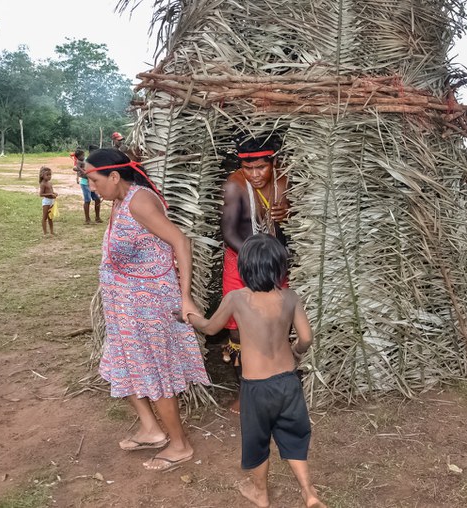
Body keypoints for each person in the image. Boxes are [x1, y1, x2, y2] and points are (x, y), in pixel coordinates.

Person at [84, 148, 209, 472]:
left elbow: (181, 241)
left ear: (114, 176)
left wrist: (185, 297)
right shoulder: (119, 200)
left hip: (148, 307)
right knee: (122, 365)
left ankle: (179, 445)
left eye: (94, 180)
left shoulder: (139, 202)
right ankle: (151, 430)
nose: (91, 187)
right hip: (125, 307)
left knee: (153, 373)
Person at [186, 234, 326, 508]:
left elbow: (211, 328)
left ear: (244, 268)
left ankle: (260, 493)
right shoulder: (290, 297)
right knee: (293, 434)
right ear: (279, 268)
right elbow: (306, 338)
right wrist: (295, 352)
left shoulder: (237, 298)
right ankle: (308, 492)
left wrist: (190, 316)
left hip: (256, 386)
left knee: (257, 439)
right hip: (288, 382)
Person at [221, 133, 290, 414]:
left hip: (276, 263)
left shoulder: (285, 181)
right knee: (239, 332)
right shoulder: (235, 186)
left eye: (261, 167)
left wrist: (289, 213)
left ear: (273, 162)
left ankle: (276, 386)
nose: (254, 174)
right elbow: (228, 231)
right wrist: (254, 258)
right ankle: (246, 393)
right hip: (240, 262)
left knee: (275, 324)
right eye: (248, 168)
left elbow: (302, 223)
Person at [72, 149, 102, 224]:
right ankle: (87, 219)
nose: (83, 156)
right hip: (85, 183)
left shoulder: (87, 160)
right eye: (82, 155)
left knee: (97, 199)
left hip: (91, 182)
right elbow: (76, 168)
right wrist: (81, 172)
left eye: (83, 155)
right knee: (87, 200)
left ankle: (97, 217)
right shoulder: (80, 161)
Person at [39, 166, 57, 236]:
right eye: (47, 175)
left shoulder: (50, 183)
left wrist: (54, 193)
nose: (49, 176)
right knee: (45, 217)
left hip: (51, 201)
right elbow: (41, 194)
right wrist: (50, 194)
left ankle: (52, 231)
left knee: (50, 217)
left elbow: (52, 191)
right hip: (46, 202)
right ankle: (45, 232)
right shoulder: (43, 184)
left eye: (50, 175)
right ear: (42, 175)